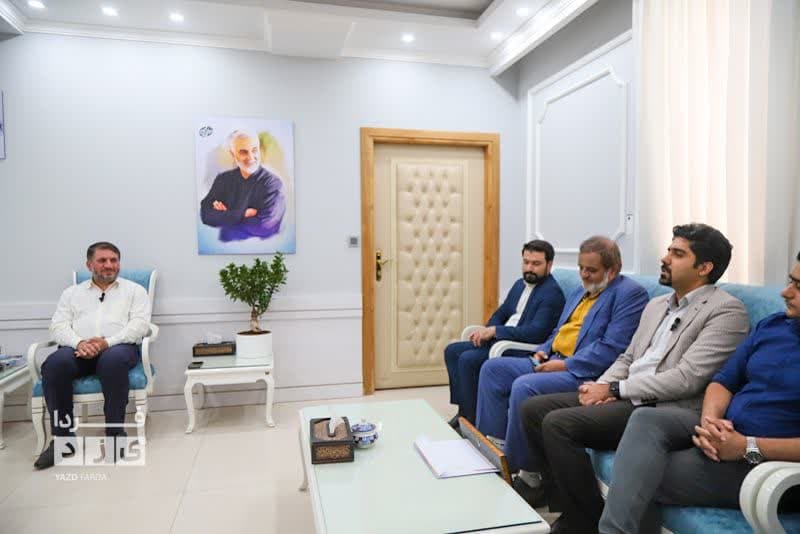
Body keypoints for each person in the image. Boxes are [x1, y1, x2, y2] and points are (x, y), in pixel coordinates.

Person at [517, 223, 750, 533]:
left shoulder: (726, 311)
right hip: (627, 395)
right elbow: (628, 357)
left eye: (677, 254)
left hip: (665, 408)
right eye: (669, 250)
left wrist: (616, 389)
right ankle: (577, 511)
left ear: (704, 268)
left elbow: (687, 379)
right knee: (533, 409)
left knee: (559, 424)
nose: (665, 258)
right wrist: (600, 386)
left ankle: (581, 524)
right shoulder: (657, 304)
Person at [598, 251, 800, 534]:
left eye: (798, 287)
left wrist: (747, 446)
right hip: (725, 432)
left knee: (640, 474)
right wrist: (710, 422)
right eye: (790, 281)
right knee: (646, 419)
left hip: (768, 464)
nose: (785, 292)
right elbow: (724, 381)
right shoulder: (774, 325)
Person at [475, 236, 648, 490]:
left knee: (524, 386)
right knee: (493, 370)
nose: (584, 275)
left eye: (591, 270)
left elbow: (612, 347)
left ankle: (528, 475)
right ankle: (493, 451)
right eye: (581, 268)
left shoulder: (629, 294)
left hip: (583, 371)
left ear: (612, 270)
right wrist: (543, 350)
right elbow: (559, 330)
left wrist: (566, 365)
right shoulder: (581, 291)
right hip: (553, 358)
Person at [34, 242, 151, 470]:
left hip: (119, 347)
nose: (109, 265)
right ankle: (63, 442)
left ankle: (115, 435)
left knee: (112, 361)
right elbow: (58, 327)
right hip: (78, 348)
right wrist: (80, 343)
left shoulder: (135, 291)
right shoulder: (71, 293)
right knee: (54, 365)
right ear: (89, 265)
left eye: (113, 260)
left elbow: (139, 326)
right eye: (102, 260)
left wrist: (106, 343)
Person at [444, 240, 566, 426]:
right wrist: (488, 330)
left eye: (536, 264)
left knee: (468, 359)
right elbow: (501, 314)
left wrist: (495, 332)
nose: (529, 268)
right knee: (452, 351)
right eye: (526, 262)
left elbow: (536, 333)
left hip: (519, 348)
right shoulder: (519, 285)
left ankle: (471, 420)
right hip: (500, 340)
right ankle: (464, 411)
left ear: (549, 265)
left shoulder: (552, 293)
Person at [200, 130, 286, 242]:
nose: (251, 157)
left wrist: (225, 216)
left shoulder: (273, 184)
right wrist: (242, 214)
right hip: (225, 247)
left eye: (254, 150)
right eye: (243, 152)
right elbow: (205, 215)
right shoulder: (223, 180)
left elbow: (264, 226)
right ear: (233, 154)